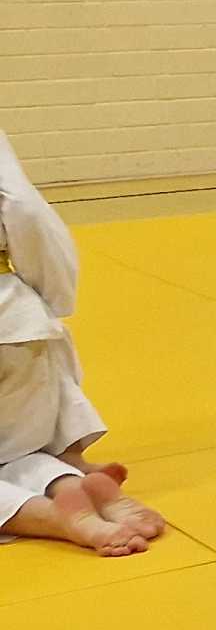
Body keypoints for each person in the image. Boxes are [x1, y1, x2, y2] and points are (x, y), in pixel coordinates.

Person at [0, 129, 165, 557]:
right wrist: (47, 298)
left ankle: (53, 516)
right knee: (12, 450)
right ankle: (67, 481)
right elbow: (23, 208)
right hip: (16, 323)